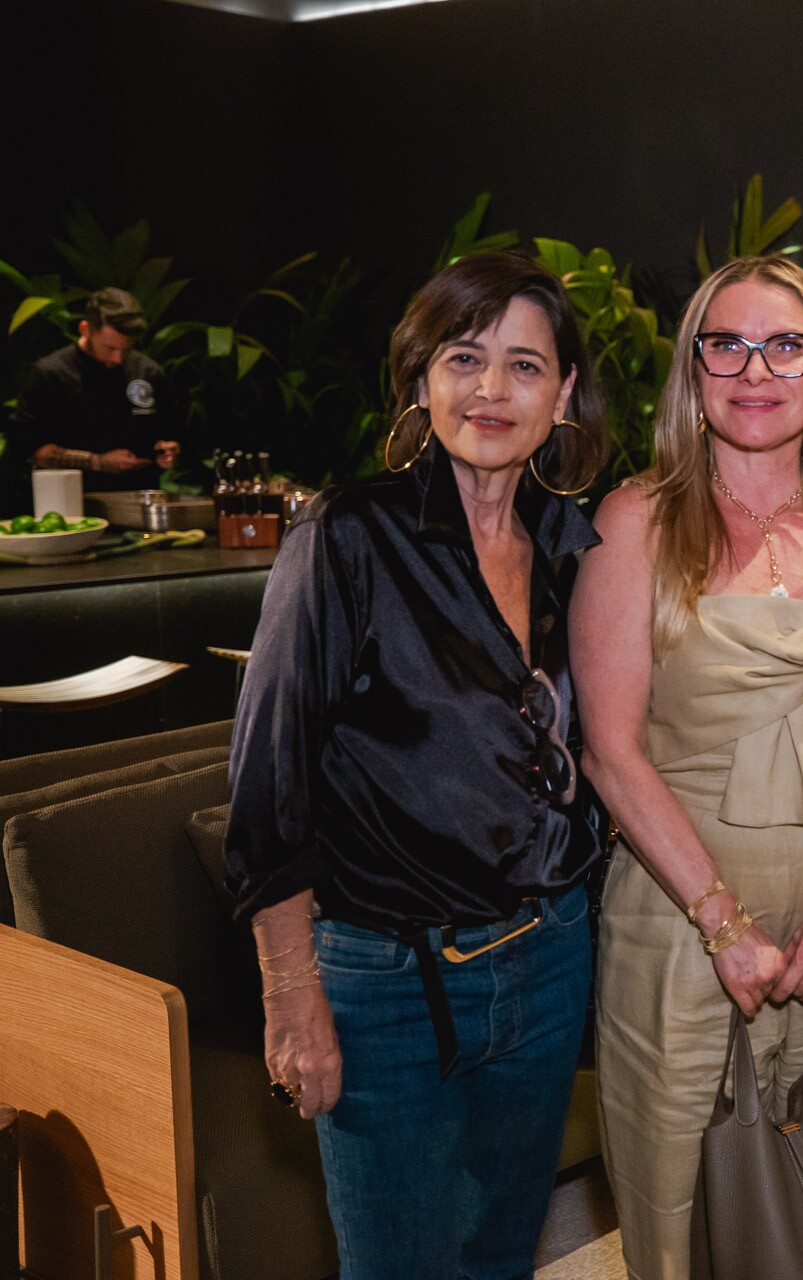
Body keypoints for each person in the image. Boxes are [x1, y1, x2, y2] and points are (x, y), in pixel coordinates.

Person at [224, 252, 611, 1279]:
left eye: (525, 366)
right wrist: (290, 990)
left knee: (498, 1258)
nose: (492, 390)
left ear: (563, 391)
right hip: (385, 981)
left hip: (549, 957)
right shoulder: (348, 536)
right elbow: (268, 781)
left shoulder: (575, 548)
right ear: (421, 379)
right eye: (465, 357)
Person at [573, 254, 803, 1279]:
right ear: (693, 372)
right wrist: (724, 923)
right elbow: (610, 747)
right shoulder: (633, 523)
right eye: (725, 343)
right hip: (683, 933)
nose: (756, 368)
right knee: (683, 1207)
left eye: (787, 344)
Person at [10, 286, 181, 489]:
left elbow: (169, 433)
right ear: (85, 329)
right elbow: (30, 448)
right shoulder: (52, 373)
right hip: (73, 501)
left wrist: (169, 452)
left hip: (138, 496)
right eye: (110, 348)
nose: (118, 359)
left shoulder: (148, 372)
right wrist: (98, 462)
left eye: (126, 349)